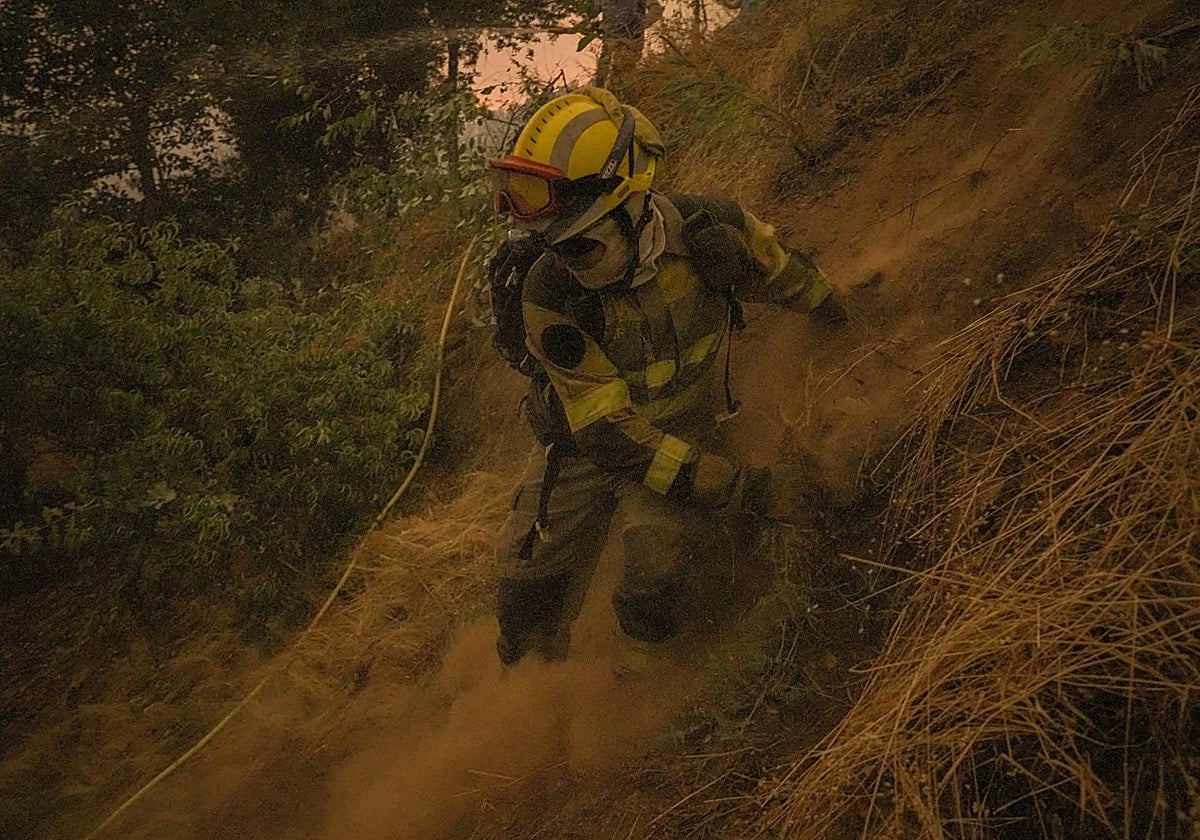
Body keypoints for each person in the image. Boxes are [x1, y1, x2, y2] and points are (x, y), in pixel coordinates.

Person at [486, 86, 848, 672]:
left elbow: (794, 279)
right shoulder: (549, 292)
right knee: (525, 591)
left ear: (630, 207)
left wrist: (849, 324)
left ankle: (639, 691)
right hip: (580, 447)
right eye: (554, 249)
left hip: (684, 430)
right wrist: (728, 485)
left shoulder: (713, 234)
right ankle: (525, 685)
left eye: (581, 248)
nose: (565, 263)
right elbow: (604, 431)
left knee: (656, 574)